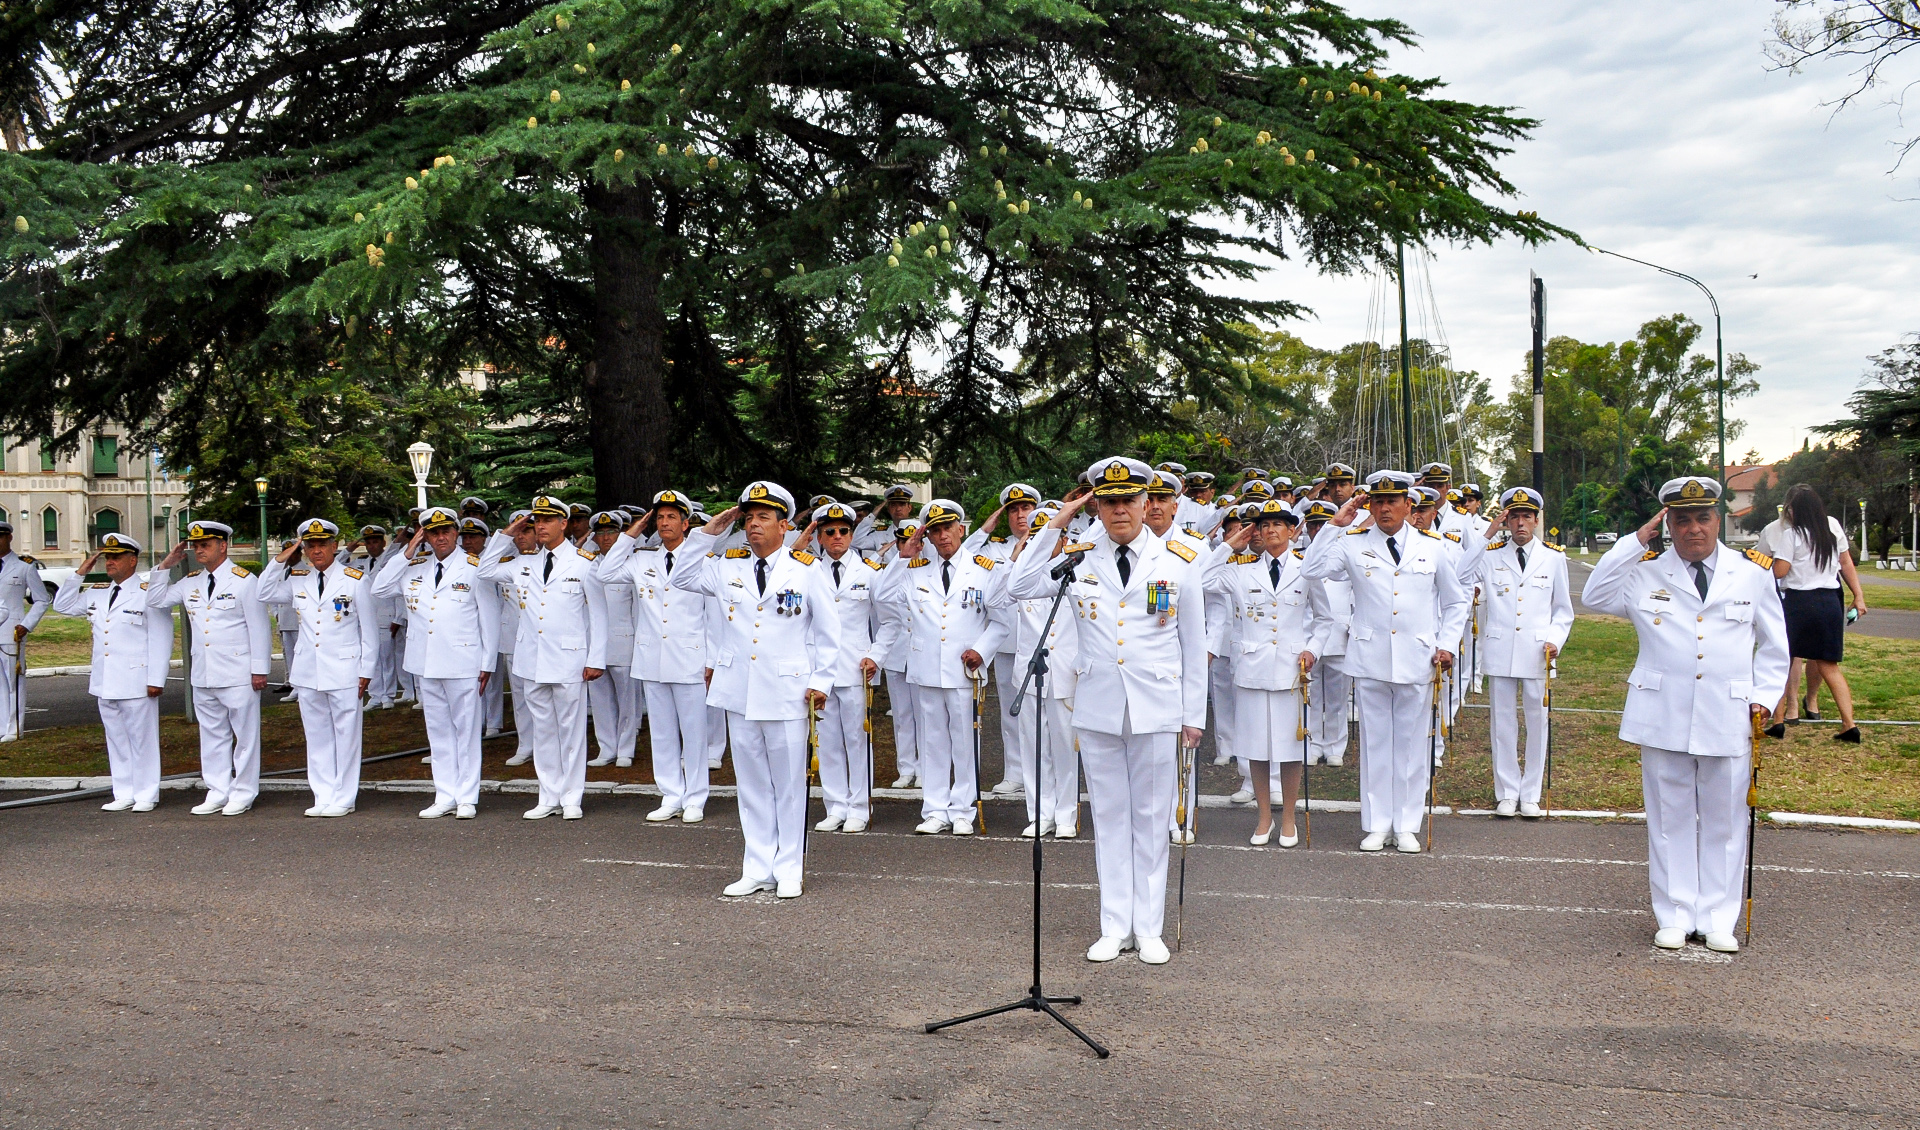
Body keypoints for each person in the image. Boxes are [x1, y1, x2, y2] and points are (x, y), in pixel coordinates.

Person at [1007, 457, 1207, 966]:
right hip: (1097, 706)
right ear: (1096, 504)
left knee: (1152, 817)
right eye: (1109, 500)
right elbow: (1019, 586)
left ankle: (1150, 928)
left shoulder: (1179, 559)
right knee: (1111, 820)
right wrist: (1056, 520)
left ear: (1147, 503)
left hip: (1158, 706)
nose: (1120, 509)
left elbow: (1193, 643)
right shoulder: (1079, 556)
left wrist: (1194, 715)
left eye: (1129, 500)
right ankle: (1114, 925)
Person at [1582, 477, 1789, 953]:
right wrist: (1635, 541)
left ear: (1718, 520)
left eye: (1702, 518)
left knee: (1725, 820)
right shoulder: (1645, 571)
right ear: (1667, 526)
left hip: (1728, 712)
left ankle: (1718, 917)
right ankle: (1673, 914)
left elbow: (1776, 646)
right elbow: (1594, 595)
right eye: (1681, 520)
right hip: (1663, 712)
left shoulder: (1751, 573)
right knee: (1669, 818)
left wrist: (1763, 695)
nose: (1693, 528)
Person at [671, 482, 840, 898]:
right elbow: (681, 575)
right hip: (738, 690)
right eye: (748, 518)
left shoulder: (805, 568)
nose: (752, 525)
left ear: (784, 524)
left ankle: (789, 869)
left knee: (787, 785)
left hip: (786, 690)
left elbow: (829, 631)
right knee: (750, 785)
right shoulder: (727, 564)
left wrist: (821, 681)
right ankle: (757, 866)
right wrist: (709, 530)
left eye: (763, 517)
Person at [1302, 470, 1468, 854]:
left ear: (1409, 505)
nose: (1384, 508)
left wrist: (1447, 644)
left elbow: (1456, 600)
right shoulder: (1352, 542)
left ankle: (1407, 824)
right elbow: (1310, 571)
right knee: (1376, 745)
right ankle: (1377, 824)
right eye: (1377, 502)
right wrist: (1334, 525)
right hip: (1371, 658)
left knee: (1411, 746)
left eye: (1392, 501)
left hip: (1419, 658)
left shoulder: (1433, 545)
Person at [874, 499, 1011, 836]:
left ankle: (963, 809)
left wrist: (981, 650)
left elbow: (1000, 622)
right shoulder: (915, 569)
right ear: (928, 536)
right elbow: (882, 595)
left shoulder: (984, 569)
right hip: (927, 668)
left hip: (964, 671)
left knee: (965, 741)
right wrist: (903, 556)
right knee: (933, 741)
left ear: (961, 529)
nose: (943, 535)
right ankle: (935, 809)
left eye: (948, 527)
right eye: (935, 530)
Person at [478, 496, 608, 820]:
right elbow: (484, 569)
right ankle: (548, 795)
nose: (540, 526)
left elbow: (600, 616)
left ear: (564, 523)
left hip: (569, 660)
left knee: (571, 732)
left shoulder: (583, 562)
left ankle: (572, 797)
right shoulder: (524, 563)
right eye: (536, 521)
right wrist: (509, 532)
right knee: (543, 731)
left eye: (548, 520)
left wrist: (597, 659)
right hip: (531, 660)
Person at [1208, 499, 1325, 847]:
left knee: (1290, 748)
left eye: (1278, 524)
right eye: (1264, 525)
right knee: (1255, 748)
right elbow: (1199, 578)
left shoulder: (1307, 569)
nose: (1270, 530)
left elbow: (1327, 619)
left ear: (1292, 531)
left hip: (1292, 670)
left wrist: (1313, 650)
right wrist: (1229, 545)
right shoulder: (1241, 569)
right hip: (1252, 670)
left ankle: (1287, 818)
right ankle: (1263, 818)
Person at [371, 506, 501, 819]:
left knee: (466, 731)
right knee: (438, 732)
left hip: (463, 661)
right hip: (425, 662)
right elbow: (378, 587)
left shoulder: (474, 567)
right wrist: (407, 550)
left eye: (446, 531)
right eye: (432, 532)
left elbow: (490, 618)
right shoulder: (414, 566)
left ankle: (467, 797)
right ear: (425, 535)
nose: (440, 537)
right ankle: (445, 794)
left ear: (456, 533)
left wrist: (487, 663)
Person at [598, 490, 711, 822]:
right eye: (659, 517)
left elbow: (713, 616)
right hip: (652, 658)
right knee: (661, 732)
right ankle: (670, 794)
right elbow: (605, 573)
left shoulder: (703, 561)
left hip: (690, 657)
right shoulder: (642, 558)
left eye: (671, 517)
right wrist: (631, 532)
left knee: (693, 733)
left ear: (686, 523)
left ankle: (695, 798)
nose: (664, 523)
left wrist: (712, 660)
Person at [258, 519, 383, 817]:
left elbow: (369, 630)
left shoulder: (354, 579)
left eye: (321, 545)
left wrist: (366, 671)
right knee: (316, 736)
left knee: (346, 735)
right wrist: (282, 558)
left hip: (345, 669)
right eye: (310, 545)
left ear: (333, 546)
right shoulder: (297, 577)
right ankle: (323, 794)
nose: (316, 551)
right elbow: (263, 592)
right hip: (308, 670)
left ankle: (344, 796)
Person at [159, 520, 272, 816]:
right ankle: (218, 790)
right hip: (204, 672)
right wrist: (166, 565)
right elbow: (155, 599)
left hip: (237, 672)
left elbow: (259, 627)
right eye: (195, 546)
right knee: (211, 736)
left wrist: (259, 669)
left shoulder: (244, 580)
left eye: (205, 545)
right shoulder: (191, 581)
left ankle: (244, 792)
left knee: (245, 737)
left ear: (223, 546)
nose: (199, 550)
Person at [52, 533, 172, 811]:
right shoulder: (98, 592)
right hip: (106, 680)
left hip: (136, 680)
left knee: (142, 740)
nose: (110, 562)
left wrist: (156, 679)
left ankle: (146, 794)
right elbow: (62, 605)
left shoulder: (146, 592)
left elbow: (161, 638)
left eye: (116, 557)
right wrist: (80, 572)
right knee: (116, 739)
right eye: (107, 557)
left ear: (133, 560)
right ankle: (124, 792)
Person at [1477, 488, 1574, 819]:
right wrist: (1485, 533)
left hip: (1537, 652)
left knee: (1538, 722)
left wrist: (1554, 640)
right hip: (1500, 649)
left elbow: (1563, 610)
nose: (1520, 523)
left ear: (1536, 521)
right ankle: (1506, 791)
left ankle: (1530, 792)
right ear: (1506, 520)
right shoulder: (1490, 555)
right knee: (1503, 723)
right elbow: (1463, 576)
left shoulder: (1554, 557)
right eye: (1514, 517)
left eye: (1526, 517)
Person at [994, 508, 1083, 838]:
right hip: (1029, 674)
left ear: (1062, 537)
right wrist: (1014, 557)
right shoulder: (1022, 572)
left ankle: (1066, 816)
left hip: (1065, 673)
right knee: (1033, 749)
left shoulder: (1078, 566)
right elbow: (995, 597)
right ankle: (1040, 814)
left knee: (1065, 749)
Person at [1759, 485, 1867, 742]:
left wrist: (1768, 564)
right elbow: (1844, 563)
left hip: (1799, 602)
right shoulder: (1828, 533)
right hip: (1830, 600)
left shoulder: (1790, 535)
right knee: (1829, 665)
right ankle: (1848, 724)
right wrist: (1858, 595)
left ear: (1794, 510)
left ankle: (1779, 721)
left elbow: (1780, 571)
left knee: (1785, 659)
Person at [805, 501, 882, 833]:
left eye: (843, 531)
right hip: (819, 669)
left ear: (852, 533)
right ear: (819, 536)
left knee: (856, 740)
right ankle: (835, 805)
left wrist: (876, 655)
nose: (837, 536)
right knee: (827, 740)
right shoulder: (806, 570)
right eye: (829, 531)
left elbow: (888, 622)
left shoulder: (869, 571)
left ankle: (859, 807)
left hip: (854, 668)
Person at [963, 483, 1040, 800]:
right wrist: (986, 527)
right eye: (1013, 509)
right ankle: (1015, 772)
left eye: (1025, 508)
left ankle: (1048, 773)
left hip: (1047, 643)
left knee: (1054, 713)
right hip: (1010, 644)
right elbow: (964, 554)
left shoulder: (1055, 543)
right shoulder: (994, 549)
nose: (1021, 515)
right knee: (1012, 711)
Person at [1298, 498, 1353, 767]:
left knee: (1337, 698)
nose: (1318, 530)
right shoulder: (1302, 559)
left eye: (1323, 524)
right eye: (1313, 525)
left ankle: (1335, 745)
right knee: (1310, 696)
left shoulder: (1349, 553)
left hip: (1341, 637)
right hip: (1310, 639)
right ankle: (1312, 743)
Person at [585, 510, 642, 766]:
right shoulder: (586, 565)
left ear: (620, 536)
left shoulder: (631, 564)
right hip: (593, 646)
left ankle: (626, 750)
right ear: (594, 538)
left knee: (627, 701)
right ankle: (606, 748)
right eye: (601, 533)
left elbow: (638, 611)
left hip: (624, 642)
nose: (606, 538)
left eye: (611, 533)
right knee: (600, 701)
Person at [871, 520, 923, 788]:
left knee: (924, 716)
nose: (909, 546)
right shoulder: (887, 573)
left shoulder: (927, 572)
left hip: (920, 654)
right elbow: (881, 599)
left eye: (913, 541)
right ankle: (906, 767)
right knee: (902, 715)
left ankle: (925, 768)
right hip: (895, 653)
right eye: (903, 541)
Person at [0, 520, 52, 742]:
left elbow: (42, 599)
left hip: (12, 632)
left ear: (9, 538)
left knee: (14, 682)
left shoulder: (24, 566)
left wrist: (26, 624)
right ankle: (2, 726)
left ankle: (15, 728)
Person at [495, 511, 539, 761]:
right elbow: (484, 569)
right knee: (520, 696)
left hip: (541, 640)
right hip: (514, 638)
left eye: (526, 530)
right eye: (518, 531)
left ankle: (544, 744)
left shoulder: (546, 561)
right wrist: (505, 536)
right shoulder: (507, 564)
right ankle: (525, 745)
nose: (521, 536)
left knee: (543, 696)